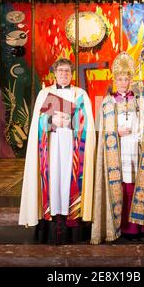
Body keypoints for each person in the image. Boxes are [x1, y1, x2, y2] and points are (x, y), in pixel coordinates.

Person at [91, 51, 144, 244]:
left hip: (135, 152)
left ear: (130, 80)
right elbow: (101, 131)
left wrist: (142, 132)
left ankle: (135, 227)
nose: (122, 83)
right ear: (115, 80)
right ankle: (117, 226)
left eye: (126, 79)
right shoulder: (107, 103)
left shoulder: (140, 101)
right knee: (119, 186)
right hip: (117, 152)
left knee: (134, 186)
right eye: (119, 79)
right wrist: (115, 132)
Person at [19, 58, 96, 244]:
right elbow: (36, 124)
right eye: (60, 71)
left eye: (67, 71)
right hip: (51, 149)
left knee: (70, 181)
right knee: (53, 182)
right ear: (54, 73)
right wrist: (51, 122)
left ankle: (74, 227)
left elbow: (89, 126)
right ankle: (52, 224)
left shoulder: (81, 94)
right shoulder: (45, 94)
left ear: (72, 74)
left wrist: (71, 122)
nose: (64, 74)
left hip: (73, 149)